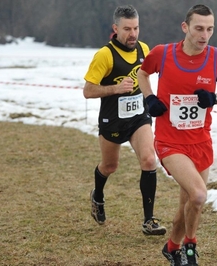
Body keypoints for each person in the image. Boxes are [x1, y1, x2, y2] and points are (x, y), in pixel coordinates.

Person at [137, 4, 217, 265]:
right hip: (169, 142)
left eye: (210, 29)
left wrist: (214, 98)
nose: (204, 35)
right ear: (185, 28)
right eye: (199, 28)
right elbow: (142, 73)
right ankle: (190, 246)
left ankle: (172, 247)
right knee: (198, 195)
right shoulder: (163, 53)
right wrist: (149, 98)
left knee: (188, 204)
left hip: (201, 142)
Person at [83, 5, 166, 236]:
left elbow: (147, 75)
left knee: (149, 160)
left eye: (136, 28)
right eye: (127, 28)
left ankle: (149, 221)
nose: (133, 34)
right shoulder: (105, 55)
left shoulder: (144, 48)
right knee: (110, 166)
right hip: (113, 119)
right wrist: (116, 88)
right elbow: (88, 91)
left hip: (139, 116)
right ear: (115, 28)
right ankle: (97, 195)